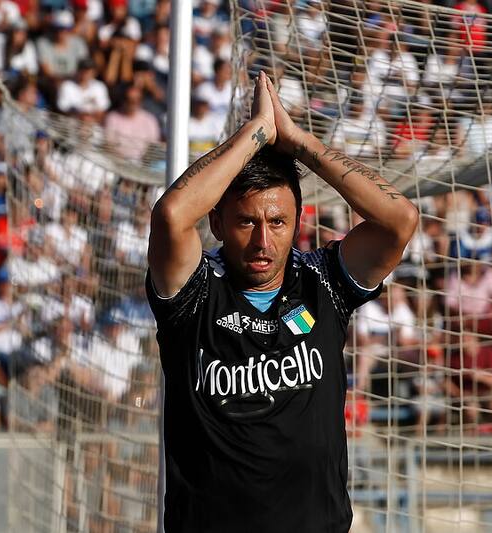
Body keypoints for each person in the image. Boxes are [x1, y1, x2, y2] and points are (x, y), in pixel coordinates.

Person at [146, 71, 418, 531]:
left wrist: (295, 140)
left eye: (277, 221)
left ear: (298, 220)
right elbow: (171, 215)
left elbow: (399, 220)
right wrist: (256, 134)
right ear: (216, 223)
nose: (263, 240)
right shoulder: (194, 292)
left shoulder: (322, 282)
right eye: (246, 222)